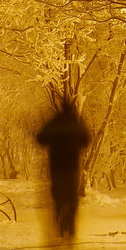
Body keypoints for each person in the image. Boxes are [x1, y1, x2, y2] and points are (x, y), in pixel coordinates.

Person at [36, 96, 92, 239]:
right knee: (72, 197)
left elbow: (40, 139)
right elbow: (87, 140)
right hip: (72, 168)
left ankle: (60, 222)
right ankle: (70, 225)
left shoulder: (55, 122)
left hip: (56, 167)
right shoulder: (76, 123)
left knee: (58, 196)